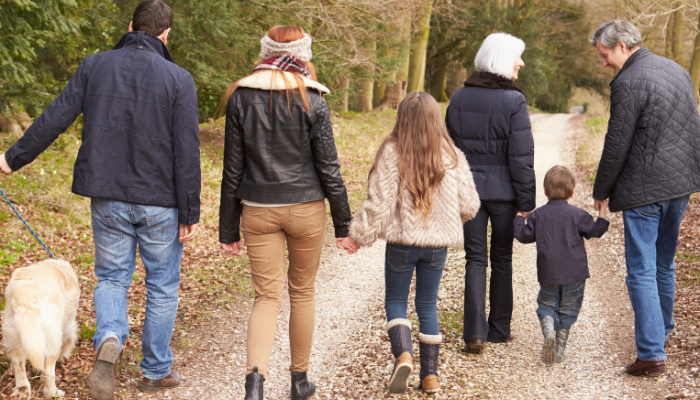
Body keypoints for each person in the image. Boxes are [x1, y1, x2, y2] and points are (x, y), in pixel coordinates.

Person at [0, 1, 200, 398]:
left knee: (112, 278)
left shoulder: (95, 65)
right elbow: (187, 148)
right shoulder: (179, 78)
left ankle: (109, 335)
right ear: (166, 34)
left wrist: (11, 159)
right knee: (162, 286)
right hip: (161, 200)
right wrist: (190, 209)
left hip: (107, 197)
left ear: (130, 26)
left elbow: (56, 116)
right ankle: (156, 370)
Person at [219, 26, 352, 400]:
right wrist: (344, 223)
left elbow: (233, 169)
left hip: (258, 211)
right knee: (303, 292)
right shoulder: (313, 98)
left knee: (266, 297)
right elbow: (329, 167)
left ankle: (255, 384)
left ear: (266, 51)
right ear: (303, 53)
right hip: (306, 210)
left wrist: (228, 228)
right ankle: (299, 382)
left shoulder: (241, 96)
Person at [343, 92, 481, 394]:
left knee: (396, 301)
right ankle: (430, 377)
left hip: (402, 244)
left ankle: (403, 355)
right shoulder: (451, 153)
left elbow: (379, 206)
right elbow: (470, 205)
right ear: (435, 118)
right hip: (436, 247)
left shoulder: (392, 152)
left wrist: (357, 236)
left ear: (401, 118)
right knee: (427, 304)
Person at [590, 19, 700, 376]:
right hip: (679, 186)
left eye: (605, 55)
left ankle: (652, 353)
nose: (604, 63)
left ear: (622, 45)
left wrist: (600, 191)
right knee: (664, 264)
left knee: (641, 270)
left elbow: (616, 143)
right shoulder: (678, 70)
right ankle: (661, 330)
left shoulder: (627, 82)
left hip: (644, 191)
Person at [445, 32, 536, 353]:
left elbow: (450, 151)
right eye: (517, 57)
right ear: (501, 60)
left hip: (467, 191)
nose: (521, 63)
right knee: (501, 258)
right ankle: (498, 329)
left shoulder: (458, 98)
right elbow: (521, 157)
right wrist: (527, 202)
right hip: (504, 195)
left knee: (474, 259)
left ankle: (474, 333)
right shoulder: (515, 101)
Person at [513, 166, 609, 365]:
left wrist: (519, 217)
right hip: (575, 275)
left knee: (547, 305)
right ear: (572, 193)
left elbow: (522, 236)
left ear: (545, 191)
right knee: (568, 310)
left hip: (549, 274)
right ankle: (559, 348)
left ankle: (548, 331)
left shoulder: (538, 215)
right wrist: (602, 210)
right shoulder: (578, 214)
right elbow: (597, 231)